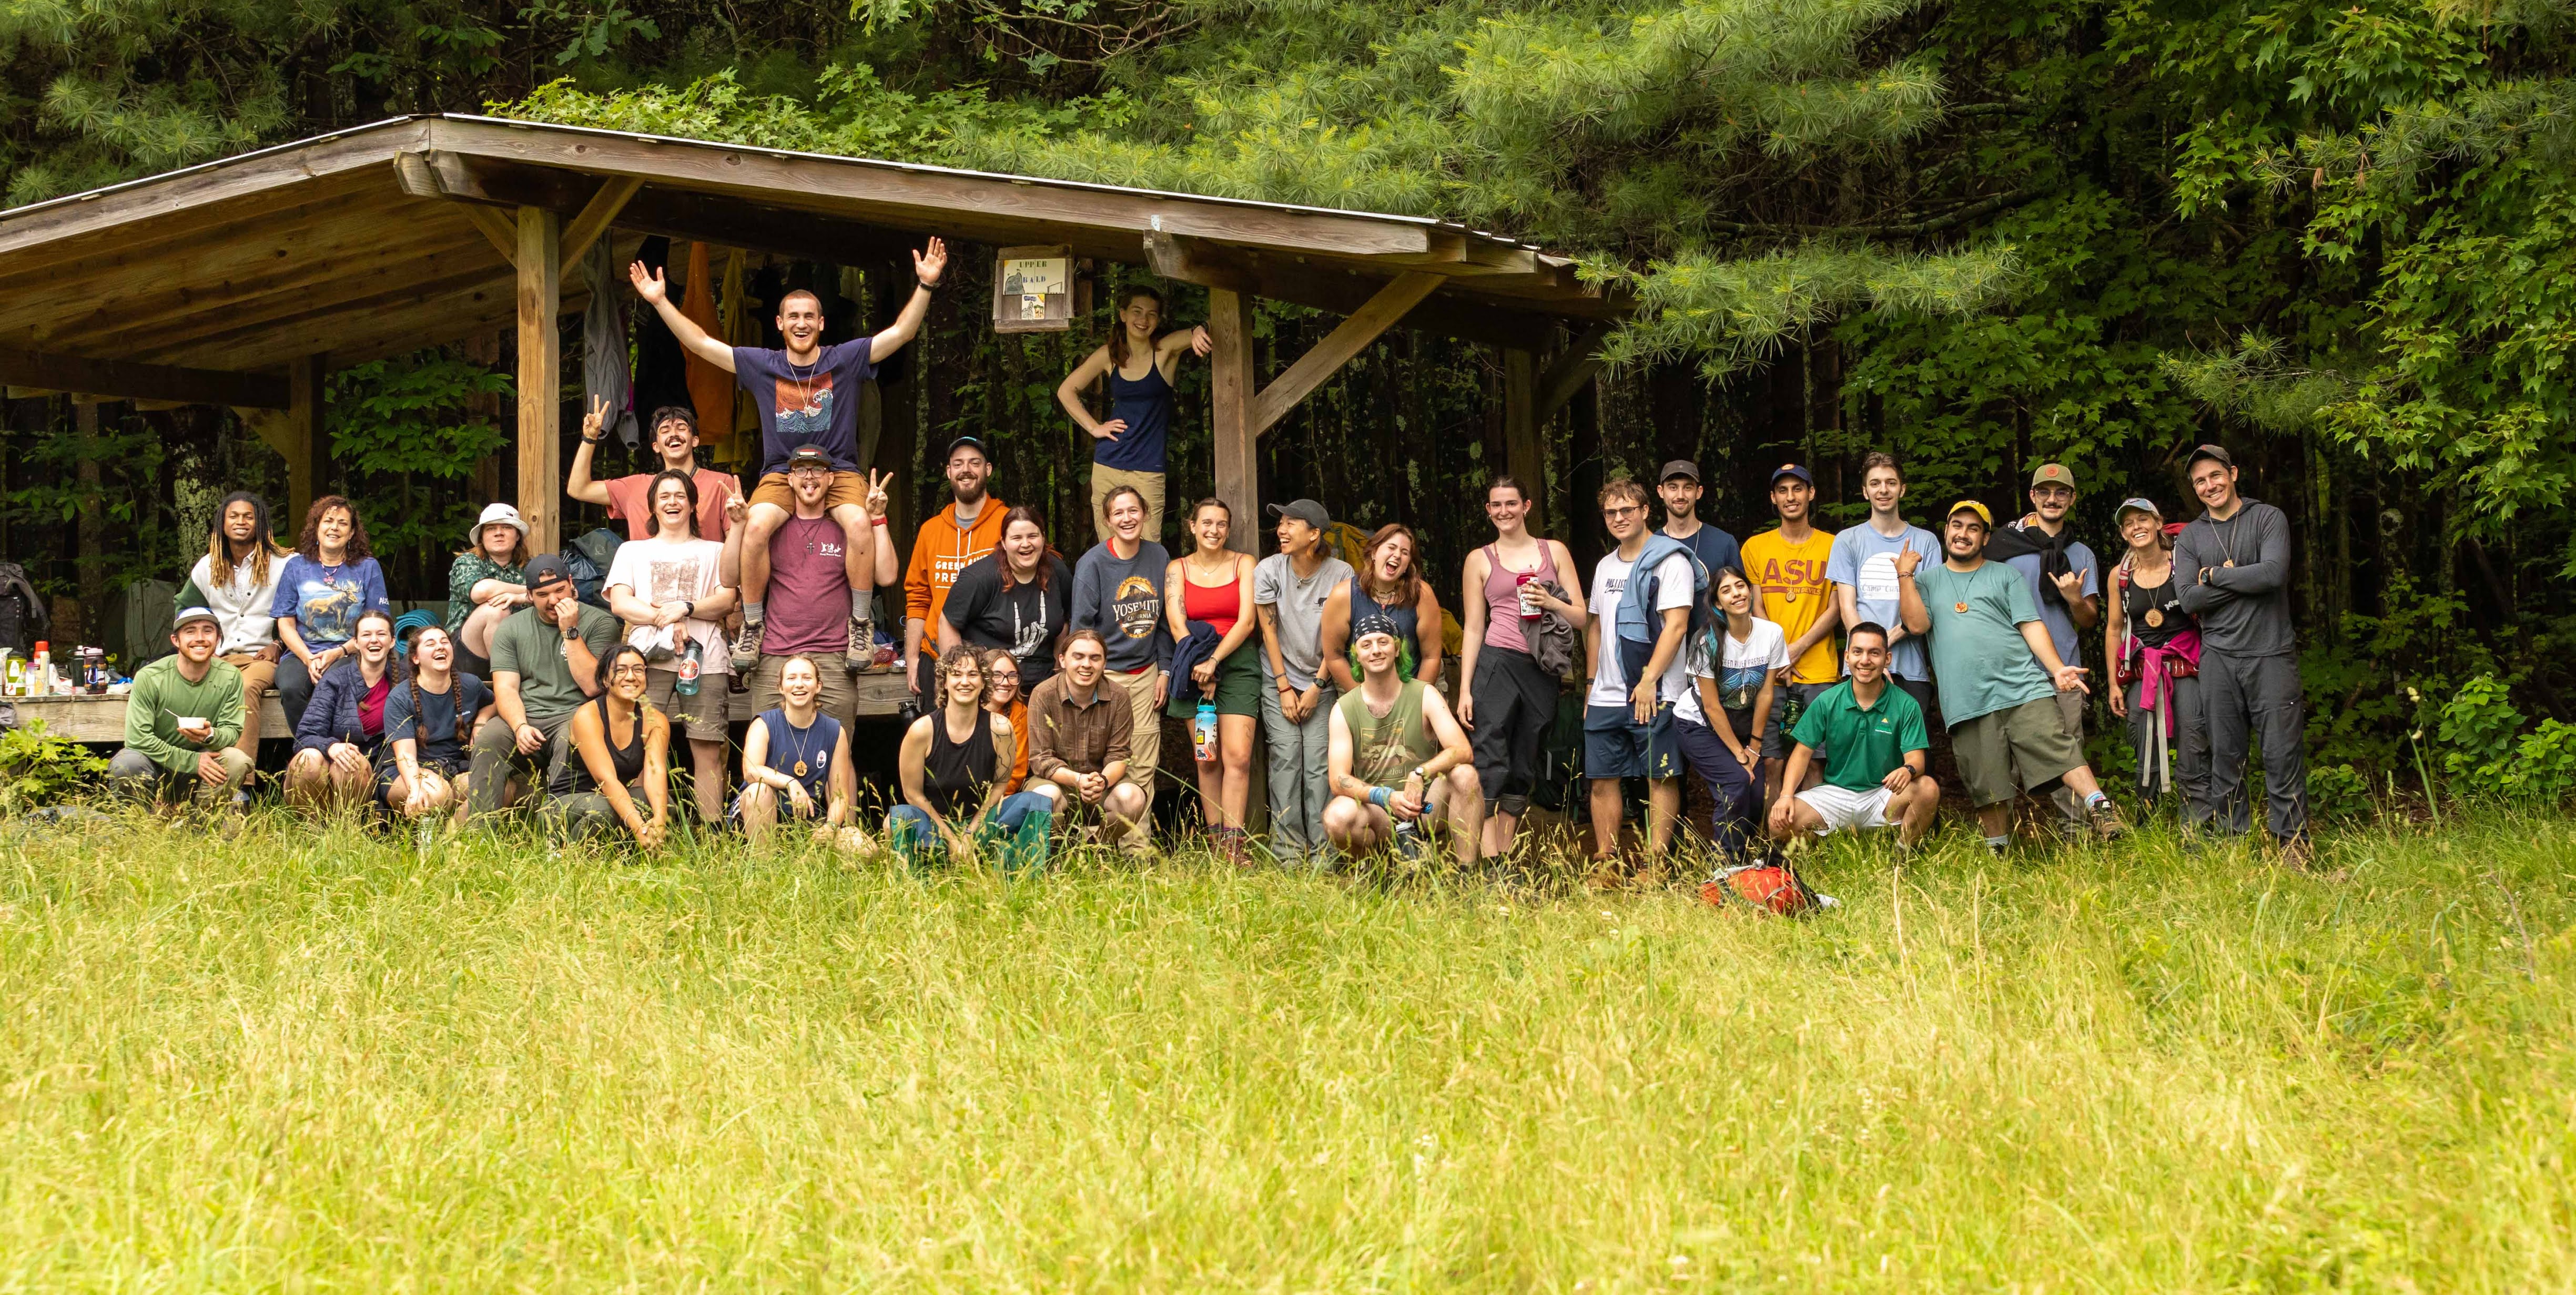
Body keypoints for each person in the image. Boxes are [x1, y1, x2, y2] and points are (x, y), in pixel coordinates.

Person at [633, 241, 949, 673]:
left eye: (809, 316)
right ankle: (753, 622)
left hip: (838, 469)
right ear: (780, 324)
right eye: (793, 317)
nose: (802, 323)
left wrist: (925, 285)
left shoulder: (844, 359)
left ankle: (860, 622)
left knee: (860, 523)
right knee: (755, 526)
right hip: (782, 471)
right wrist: (660, 301)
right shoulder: (764, 364)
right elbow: (701, 343)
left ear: (822, 322)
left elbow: (901, 333)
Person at [1896, 501, 2128, 853]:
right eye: (1957, 526)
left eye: (1974, 528)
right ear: (1946, 532)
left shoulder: (2005, 575)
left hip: (2022, 686)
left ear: (1986, 538)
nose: (1963, 534)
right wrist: (1905, 576)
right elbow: (1916, 625)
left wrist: (2056, 668)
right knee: (1987, 783)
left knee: (2058, 746)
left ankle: (2101, 808)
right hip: (1967, 699)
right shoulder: (1926, 581)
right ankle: (1998, 852)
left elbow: (2031, 625)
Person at [2172, 444, 2309, 860]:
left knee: (2282, 754)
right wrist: (2242, 580)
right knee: (2226, 758)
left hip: (2271, 654)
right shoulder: (2191, 536)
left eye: (2215, 475)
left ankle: (2293, 847)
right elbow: (2189, 599)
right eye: (2200, 481)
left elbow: (2273, 574)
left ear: (2232, 473)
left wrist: (2214, 575)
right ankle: (2235, 846)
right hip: (2218, 658)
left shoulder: (2267, 518)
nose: (2209, 485)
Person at [603, 468, 742, 823]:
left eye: (680, 495)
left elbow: (727, 600)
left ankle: (712, 836)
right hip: (645, 662)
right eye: (664, 496)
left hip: (705, 659)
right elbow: (620, 602)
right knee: (639, 746)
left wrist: (687, 608)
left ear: (693, 504)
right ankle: (639, 828)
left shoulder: (716, 550)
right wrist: (664, 618)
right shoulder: (632, 550)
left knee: (708, 750)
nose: (672, 502)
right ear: (652, 506)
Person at [1457, 476, 1583, 859]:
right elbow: (1474, 627)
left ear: (1526, 506)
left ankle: (1506, 853)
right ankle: (1490, 858)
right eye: (1496, 505)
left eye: (1511, 503)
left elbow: (1581, 616)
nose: (1504, 511)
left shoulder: (1553, 551)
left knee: (1524, 760)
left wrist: (1550, 601)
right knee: (1490, 754)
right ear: (1488, 510)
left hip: (1541, 666)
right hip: (1496, 662)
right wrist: (1464, 689)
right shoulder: (1480, 559)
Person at [1582, 478, 1697, 874]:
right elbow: (1596, 627)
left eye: (1627, 510)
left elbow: (1676, 626)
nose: (1619, 518)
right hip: (1606, 693)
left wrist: (1648, 681)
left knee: (1659, 777)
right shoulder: (1605, 565)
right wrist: (1590, 685)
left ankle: (1656, 864)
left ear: (1646, 511)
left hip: (1656, 689)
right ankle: (1607, 864)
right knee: (1602, 779)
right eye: (1611, 512)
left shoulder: (1670, 561)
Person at [733, 446, 887, 733]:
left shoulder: (849, 527)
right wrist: (738, 525)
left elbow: (887, 576)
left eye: (818, 470)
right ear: (789, 479)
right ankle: (751, 627)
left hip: (834, 655)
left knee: (837, 749)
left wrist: (877, 518)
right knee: (765, 749)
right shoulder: (769, 528)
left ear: (831, 478)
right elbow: (729, 577)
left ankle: (861, 625)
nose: (809, 477)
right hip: (776, 653)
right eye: (800, 470)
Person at [1987, 462, 2102, 829]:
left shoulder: (2081, 554)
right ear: (2033, 496)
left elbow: (2089, 619)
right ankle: (2000, 841)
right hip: (2011, 669)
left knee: (2068, 751)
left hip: (2063, 670)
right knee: (2001, 758)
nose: (2053, 499)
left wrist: (2074, 599)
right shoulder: (2005, 546)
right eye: (2045, 492)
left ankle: (2077, 836)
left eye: (2061, 492)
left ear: (2072, 498)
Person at [469, 554, 623, 818]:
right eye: (542, 595)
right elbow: (505, 689)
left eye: (560, 590)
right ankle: (480, 829)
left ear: (571, 584)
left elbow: (592, 687)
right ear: (529, 596)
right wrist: (520, 726)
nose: (553, 600)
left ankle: (558, 826)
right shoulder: (511, 628)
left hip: (576, 714)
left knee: (571, 738)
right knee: (490, 739)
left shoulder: (600, 622)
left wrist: (570, 631)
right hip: (526, 715)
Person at [1323, 614, 1484, 866]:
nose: (1376, 650)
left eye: (1383, 642)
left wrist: (1421, 773)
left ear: (1397, 649)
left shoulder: (1426, 694)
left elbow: (1462, 749)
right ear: (1357, 655)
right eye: (1366, 645)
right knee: (1337, 816)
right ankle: (1374, 874)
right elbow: (1338, 780)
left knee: (1466, 775)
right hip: (1379, 811)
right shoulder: (1343, 709)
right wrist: (1385, 797)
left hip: (1425, 807)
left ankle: (1467, 873)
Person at [1055, 284, 1212, 543]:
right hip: (1108, 464)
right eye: (1137, 311)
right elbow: (1066, 391)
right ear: (1123, 314)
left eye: (1152, 314)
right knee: (1110, 546)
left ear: (1158, 320)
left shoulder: (1165, 351)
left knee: (1149, 545)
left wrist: (1199, 330)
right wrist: (1095, 428)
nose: (1143, 320)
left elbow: (1205, 328)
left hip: (1149, 469)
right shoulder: (1109, 355)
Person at [1764, 623, 1941, 851]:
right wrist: (1786, 796)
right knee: (1778, 824)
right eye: (1858, 652)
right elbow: (1802, 753)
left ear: (1887, 659)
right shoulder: (1828, 700)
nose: (1865, 660)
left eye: (1874, 653)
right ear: (1847, 657)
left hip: (1883, 794)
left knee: (1928, 789)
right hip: (1836, 793)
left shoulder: (1906, 704)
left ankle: (1902, 854)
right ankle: (1825, 851)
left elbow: (1917, 760)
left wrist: (1908, 770)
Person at [1255, 498, 1358, 869]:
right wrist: (1284, 687)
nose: (1281, 530)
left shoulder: (1342, 573)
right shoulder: (1269, 569)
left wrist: (1317, 686)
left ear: (1314, 534)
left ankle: (1324, 856)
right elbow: (1268, 631)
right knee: (1286, 759)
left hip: (1324, 678)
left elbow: (1340, 638)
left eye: (1291, 524)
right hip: (1278, 677)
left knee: (1319, 765)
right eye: (1281, 523)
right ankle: (1287, 855)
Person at [888, 644, 1054, 872]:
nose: (965, 682)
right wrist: (952, 839)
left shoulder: (1001, 728)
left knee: (1036, 802)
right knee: (901, 817)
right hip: (935, 825)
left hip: (983, 822)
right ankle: (921, 880)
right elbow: (912, 794)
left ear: (984, 682)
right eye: (956, 674)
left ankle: (1017, 876)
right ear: (944, 682)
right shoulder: (922, 731)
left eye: (973, 674)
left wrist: (970, 832)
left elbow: (1000, 785)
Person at [1164, 498, 1262, 861]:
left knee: (1238, 757)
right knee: (1207, 758)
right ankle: (1216, 844)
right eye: (1206, 523)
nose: (1214, 530)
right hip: (1192, 666)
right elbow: (1177, 622)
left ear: (1228, 529)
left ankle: (1234, 848)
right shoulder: (1177, 568)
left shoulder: (1244, 563)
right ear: (1192, 526)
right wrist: (1199, 667)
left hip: (1236, 664)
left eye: (1221, 524)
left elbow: (1247, 621)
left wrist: (1215, 662)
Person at [1070, 483, 1170, 826]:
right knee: (1098, 762)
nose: (1127, 518)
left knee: (1142, 764)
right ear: (1108, 520)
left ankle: (1138, 850)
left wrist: (1165, 671)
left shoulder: (1159, 557)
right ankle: (1095, 842)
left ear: (1145, 514)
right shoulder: (1092, 564)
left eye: (1133, 511)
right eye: (1118, 513)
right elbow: (1082, 630)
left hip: (1145, 674)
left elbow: (1166, 622)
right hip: (1104, 675)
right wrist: (1087, 680)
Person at [1740, 464, 1841, 802]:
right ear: (1773, 498)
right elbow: (1755, 606)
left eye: (1798, 489)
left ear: (1811, 494)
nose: (1791, 497)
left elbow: (1836, 609)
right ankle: (1772, 833)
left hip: (1818, 672)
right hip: (1770, 671)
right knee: (1772, 761)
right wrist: (1779, 653)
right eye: (1782, 491)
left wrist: (1796, 649)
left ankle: (1813, 835)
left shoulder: (1833, 545)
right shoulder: (1755, 547)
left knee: (1814, 761)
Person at [2104, 496, 2209, 814]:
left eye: (2143, 519)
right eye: (2129, 524)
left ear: (2158, 523)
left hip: (2187, 667)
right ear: (2123, 533)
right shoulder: (2120, 576)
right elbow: (2114, 629)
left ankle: (2196, 824)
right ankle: (2150, 820)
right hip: (2144, 670)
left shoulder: (2183, 565)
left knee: (2193, 738)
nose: (2136, 527)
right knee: (2140, 735)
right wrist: (2113, 684)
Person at [1676, 566, 1786, 863]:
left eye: (1740, 586)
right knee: (1736, 781)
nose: (1736, 594)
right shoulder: (1706, 641)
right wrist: (1740, 754)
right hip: (1698, 722)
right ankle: (1723, 863)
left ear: (1750, 590)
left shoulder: (1772, 633)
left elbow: (1766, 694)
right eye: (1726, 590)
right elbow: (1712, 706)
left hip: (1741, 724)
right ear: (1717, 603)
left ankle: (1748, 861)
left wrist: (1755, 747)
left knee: (1756, 792)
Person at [106, 605, 253, 810]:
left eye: (208, 631)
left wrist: (210, 735)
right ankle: (140, 822)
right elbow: (137, 738)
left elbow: (232, 731)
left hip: (202, 770)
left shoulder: (230, 676)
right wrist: (193, 761)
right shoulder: (150, 677)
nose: (200, 638)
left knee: (236, 760)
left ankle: (201, 822)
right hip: (154, 765)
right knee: (127, 763)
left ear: (218, 638)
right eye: (190, 632)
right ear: (176, 640)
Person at [1825, 453, 1941, 713]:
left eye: (1891, 482)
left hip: (1911, 671)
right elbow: (1847, 608)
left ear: (1903, 489)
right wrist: (1870, 654)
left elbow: (1928, 609)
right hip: (1860, 668)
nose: (1883, 490)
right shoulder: (1847, 540)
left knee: (1911, 741)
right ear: (1865, 492)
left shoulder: (1926, 542)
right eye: (1875, 483)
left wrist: (1881, 643)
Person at [180, 491, 288, 766]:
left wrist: (279, 644)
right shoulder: (207, 567)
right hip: (220, 657)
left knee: (244, 687)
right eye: (234, 516)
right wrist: (203, 647)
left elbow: (302, 613)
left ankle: (239, 778)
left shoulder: (284, 564)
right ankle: (187, 775)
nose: (241, 522)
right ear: (223, 522)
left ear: (260, 522)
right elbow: (185, 611)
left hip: (261, 658)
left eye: (248, 516)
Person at [268, 495, 390, 735]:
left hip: (351, 652)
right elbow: (285, 624)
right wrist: (308, 659)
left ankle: (336, 748)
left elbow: (379, 623)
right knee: (291, 687)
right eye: (328, 521)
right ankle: (309, 746)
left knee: (333, 683)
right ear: (317, 527)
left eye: (343, 523)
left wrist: (339, 652)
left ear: (352, 533)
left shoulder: (368, 567)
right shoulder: (296, 567)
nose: (335, 528)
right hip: (301, 653)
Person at [1025, 630, 1151, 854]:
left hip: (1100, 786)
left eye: (1095, 658)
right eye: (1078, 657)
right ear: (1062, 660)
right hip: (1059, 784)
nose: (1086, 665)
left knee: (1132, 798)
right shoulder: (1043, 694)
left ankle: (1095, 848)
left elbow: (1120, 755)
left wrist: (1102, 781)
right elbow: (1041, 759)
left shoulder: (1118, 696)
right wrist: (1078, 780)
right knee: (1045, 797)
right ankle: (1058, 853)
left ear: (1104, 663)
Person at [902, 436, 1011, 697]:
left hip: (994, 660)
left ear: (988, 469)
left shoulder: (1008, 524)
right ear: (949, 471)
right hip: (937, 658)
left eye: (975, 463)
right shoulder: (931, 530)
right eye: (959, 464)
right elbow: (918, 598)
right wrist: (913, 657)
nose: (966, 470)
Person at [546, 644, 672, 848]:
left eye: (638, 670)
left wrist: (659, 820)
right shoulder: (588, 716)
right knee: (603, 810)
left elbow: (655, 772)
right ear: (605, 679)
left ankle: (630, 856)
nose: (631, 677)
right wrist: (639, 827)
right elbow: (606, 780)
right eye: (620, 671)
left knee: (666, 805)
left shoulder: (655, 720)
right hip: (567, 804)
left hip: (609, 800)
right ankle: (565, 854)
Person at [737, 654, 865, 850]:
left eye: (807, 678)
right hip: (765, 814)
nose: (799, 685)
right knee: (758, 791)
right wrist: (790, 782)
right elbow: (751, 771)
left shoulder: (835, 731)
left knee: (864, 849)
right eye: (791, 678)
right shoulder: (764, 724)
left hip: (812, 821)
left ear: (818, 686)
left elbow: (840, 796)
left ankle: (813, 855)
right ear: (781, 688)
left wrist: (830, 827)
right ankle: (764, 863)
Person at [941, 505, 1073, 693]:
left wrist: (1059, 672)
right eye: (1017, 538)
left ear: (1043, 538)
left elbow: (1065, 619)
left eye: (1032, 536)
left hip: (1043, 684)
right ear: (1003, 542)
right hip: (990, 685)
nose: (1026, 544)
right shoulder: (979, 578)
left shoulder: (1057, 571)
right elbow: (947, 623)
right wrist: (961, 678)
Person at [567, 399, 737, 543]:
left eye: (681, 428)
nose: (674, 434)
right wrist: (590, 438)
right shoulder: (633, 487)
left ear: (695, 440)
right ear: (656, 446)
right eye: (665, 431)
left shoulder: (721, 484)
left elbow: (735, 542)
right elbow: (578, 489)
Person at [283, 608, 400, 811]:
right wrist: (331, 747)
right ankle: (312, 824)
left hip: (370, 770)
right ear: (356, 643)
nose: (374, 640)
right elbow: (305, 735)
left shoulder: (404, 681)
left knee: (349, 764)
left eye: (381, 634)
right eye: (366, 635)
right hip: (328, 764)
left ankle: (349, 825)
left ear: (392, 641)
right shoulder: (336, 679)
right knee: (308, 759)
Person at [380, 625, 494, 828]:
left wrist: (481, 721)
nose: (440, 647)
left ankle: (451, 837)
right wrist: (415, 788)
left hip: (455, 769)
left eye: (444, 642)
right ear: (416, 658)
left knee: (495, 787)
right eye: (430, 644)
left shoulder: (471, 685)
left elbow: (494, 703)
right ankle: (424, 841)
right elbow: (405, 756)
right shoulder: (400, 697)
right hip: (407, 772)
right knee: (436, 794)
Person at [1320, 523, 1444, 693]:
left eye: (1405, 552)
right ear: (1374, 553)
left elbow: (1431, 657)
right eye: (1391, 548)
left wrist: (1416, 701)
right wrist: (1362, 699)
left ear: (1408, 564)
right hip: (1359, 688)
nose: (1397, 555)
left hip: (1413, 687)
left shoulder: (1422, 595)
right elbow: (1334, 657)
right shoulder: (1343, 595)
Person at [445, 502, 531, 678]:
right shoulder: (468, 562)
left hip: (522, 647)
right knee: (497, 609)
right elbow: (481, 592)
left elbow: (559, 592)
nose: (499, 533)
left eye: (506, 527)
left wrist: (523, 598)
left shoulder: (531, 567)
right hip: (465, 653)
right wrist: (530, 591)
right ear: (482, 538)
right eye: (491, 529)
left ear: (517, 536)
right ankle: (508, 679)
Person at [1658, 460, 1742, 582]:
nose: (1680, 495)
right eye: (1673, 488)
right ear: (1661, 492)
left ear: (1699, 492)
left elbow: (1739, 592)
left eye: (1688, 488)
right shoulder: (1650, 547)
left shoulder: (1724, 544)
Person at [981, 647, 1031, 793]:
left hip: (1003, 796)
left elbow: (1017, 773)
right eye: (996, 675)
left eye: (1012, 676)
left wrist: (988, 800)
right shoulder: (966, 709)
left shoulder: (1020, 713)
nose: (1006, 682)